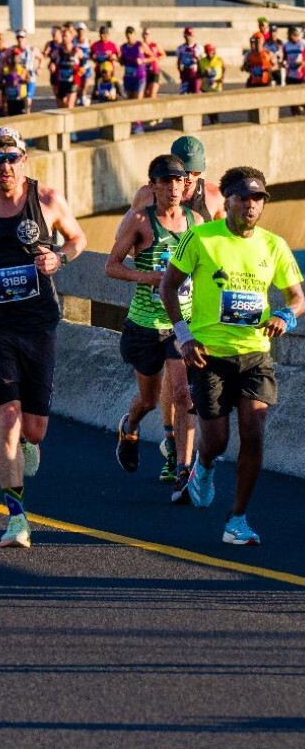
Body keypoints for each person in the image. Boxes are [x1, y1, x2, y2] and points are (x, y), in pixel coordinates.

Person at [0, 126, 86, 548]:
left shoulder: (47, 200)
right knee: (6, 416)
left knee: (35, 428)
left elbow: (77, 239)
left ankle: (29, 441)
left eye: (12, 158)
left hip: (39, 321)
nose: (5, 166)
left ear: (24, 160)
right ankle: (16, 517)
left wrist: (59, 258)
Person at [161, 167, 304, 545]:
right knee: (217, 441)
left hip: (255, 355)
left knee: (254, 433)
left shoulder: (273, 245)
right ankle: (204, 466)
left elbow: (297, 297)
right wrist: (184, 336)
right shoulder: (201, 238)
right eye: (243, 198)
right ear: (227, 201)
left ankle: (237, 519)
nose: (251, 205)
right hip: (209, 356)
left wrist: (285, 315)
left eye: (258, 199)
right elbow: (168, 287)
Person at [105, 154, 197, 495]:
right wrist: (150, 277)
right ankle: (130, 427)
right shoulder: (141, 220)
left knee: (183, 394)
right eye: (166, 181)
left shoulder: (196, 222)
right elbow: (111, 266)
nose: (173, 188)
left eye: (178, 181)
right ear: (153, 186)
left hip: (180, 323)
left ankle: (183, 469)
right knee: (148, 400)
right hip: (145, 324)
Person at [120, 27, 147, 101]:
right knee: (130, 101)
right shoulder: (123, 47)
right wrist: (117, 58)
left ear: (135, 34)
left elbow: (153, 57)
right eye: (128, 36)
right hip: (128, 77)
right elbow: (122, 62)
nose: (129, 38)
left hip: (139, 77)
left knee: (137, 101)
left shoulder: (140, 45)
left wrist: (142, 60)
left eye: (131, 35)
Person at [141, 27, 165, 100]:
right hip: (145, 73)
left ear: (150, 35)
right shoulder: (140, 46)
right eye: (144, 34)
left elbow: (163, 54)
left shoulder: (155, 45)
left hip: (154, 72)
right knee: (146, 94)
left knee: (152, 94)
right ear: (142, 35)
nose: (146, 35)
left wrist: (156, 59)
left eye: (147, 34)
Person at [176, 28, 202, 95]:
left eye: (190, 35)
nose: (188, 37)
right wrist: (180, 71)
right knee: (183, 93)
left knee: (196, 92)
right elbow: (178, 61)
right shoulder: (180, 48)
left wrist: (196, 57)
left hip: (195, 74)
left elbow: (201, 60)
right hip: (185, 73)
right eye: (187, 35)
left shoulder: (198, 47)